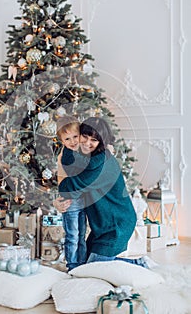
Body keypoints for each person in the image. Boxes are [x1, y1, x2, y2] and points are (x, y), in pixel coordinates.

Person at [55, 116, 156, 269]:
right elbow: (68, 167)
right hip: (101, 225)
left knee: (93, 267)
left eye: (93, 140)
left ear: (101, 142)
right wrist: (58, 200)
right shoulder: (85, 156)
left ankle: (139, 264)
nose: (87, 143)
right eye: (85, 136)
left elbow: (72, 186)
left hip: (116, 224)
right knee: (84, 264)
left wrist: (61, 191)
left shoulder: (101, 163)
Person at [56, 115, 87, 271]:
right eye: (67, 139)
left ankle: (81, 264)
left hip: (82, 200)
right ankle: (72, 265)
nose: (73, 141)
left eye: (75, 136)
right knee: (73, 236)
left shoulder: (81, 150)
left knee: (81, 235)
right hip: (71, 201)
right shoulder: (68, 156)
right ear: (62, 141)